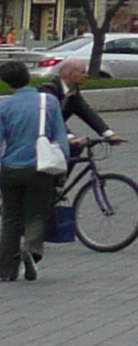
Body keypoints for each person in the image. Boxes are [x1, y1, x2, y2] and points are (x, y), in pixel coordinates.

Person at [0, 56, 66, 281]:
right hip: (40, 166)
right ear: (29, 77)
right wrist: (61, 170)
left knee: (10, 217)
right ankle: (31, 249)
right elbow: (60, 136)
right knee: (37, 213)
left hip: (10, 168)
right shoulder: (49, 102)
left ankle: (7, 270)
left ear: (8, 83)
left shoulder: (4, 105)